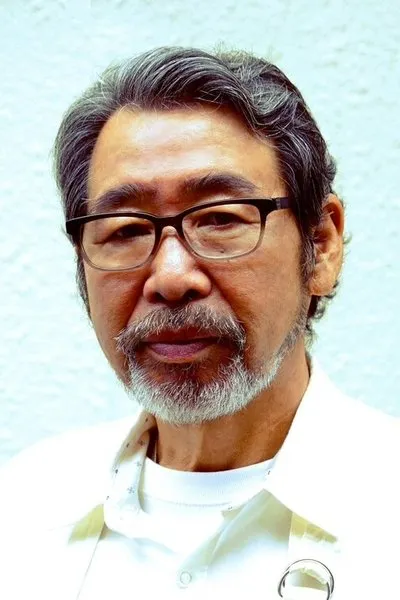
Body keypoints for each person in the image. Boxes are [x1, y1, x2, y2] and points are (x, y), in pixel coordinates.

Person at [1, 46, 399, 600]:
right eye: (125, 229)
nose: (170, 277)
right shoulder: (23, 509)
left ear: (321, 245)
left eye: (219, 219)